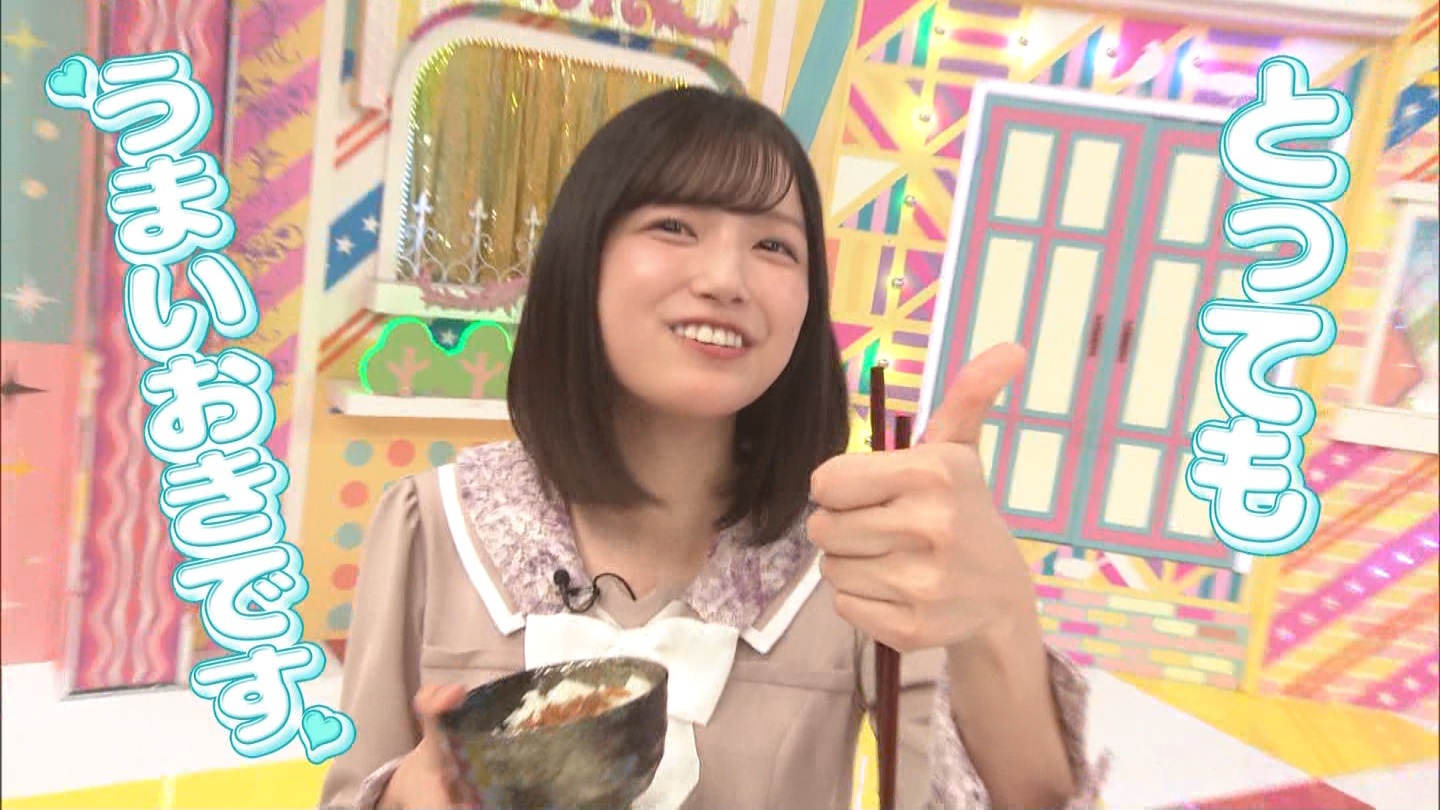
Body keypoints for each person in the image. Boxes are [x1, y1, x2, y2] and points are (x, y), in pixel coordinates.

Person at [318, 86, 1105, 810]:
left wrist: (1000, 620)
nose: (727, 278)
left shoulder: (850, 550)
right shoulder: (436, 522)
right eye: (674, 226)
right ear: (582, 257)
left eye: (775, 247)